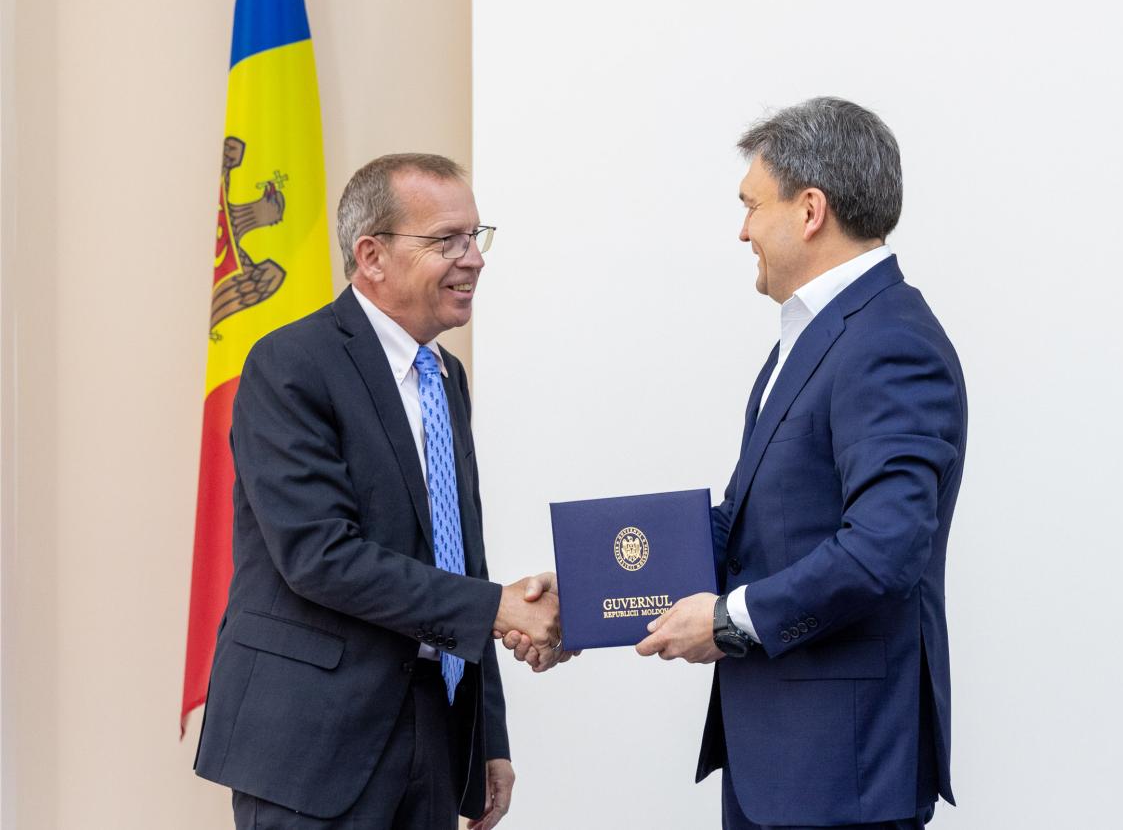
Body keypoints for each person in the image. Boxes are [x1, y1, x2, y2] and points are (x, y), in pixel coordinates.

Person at [194, 153, 572, 830]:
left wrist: (487, 738)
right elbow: (319, 555)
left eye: (476, 236)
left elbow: (460, 556)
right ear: (371, 255)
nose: (474, 259)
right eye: (447, 240)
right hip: (311, 744)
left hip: (431, 730)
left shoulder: (445, 377)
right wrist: (502, 609)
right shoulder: (290, 365)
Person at [634, 98, 968, 830]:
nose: (743, 229)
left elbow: (885, 548)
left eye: (752, 205)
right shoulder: (812, 339)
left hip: (839, 778)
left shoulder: (887, 344)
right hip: (783, 766)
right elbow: (751, 523)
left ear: (810, 209)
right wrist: (599, 580)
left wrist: (727, 621)